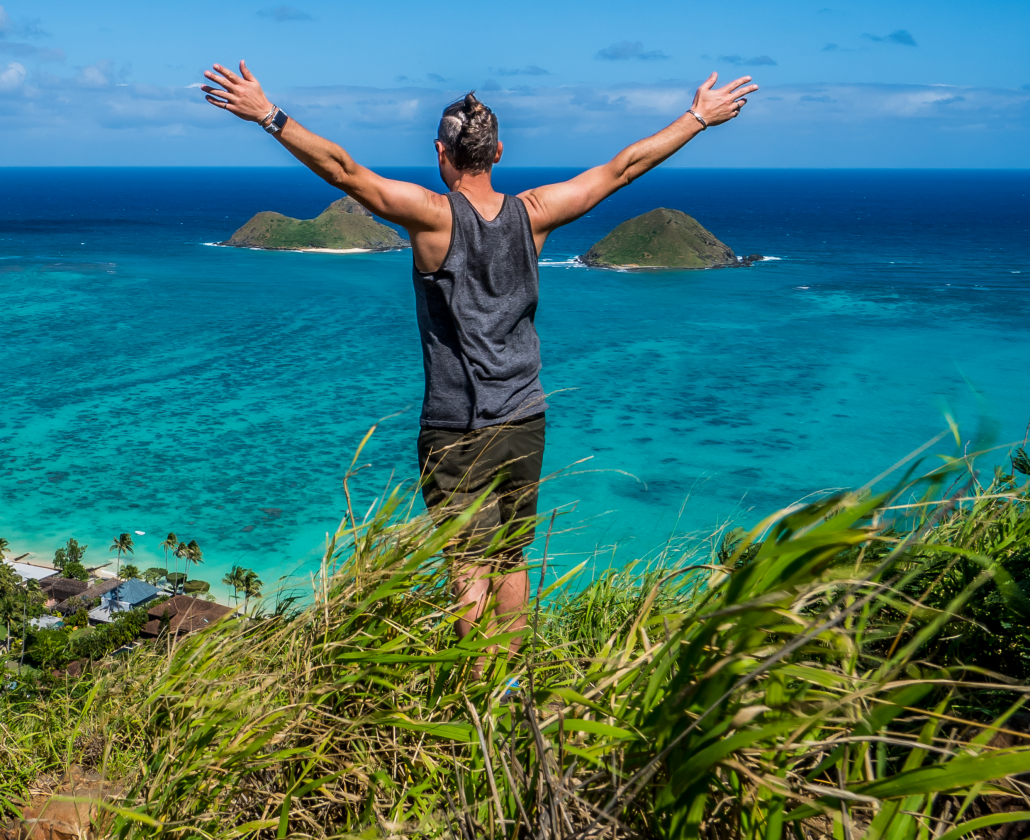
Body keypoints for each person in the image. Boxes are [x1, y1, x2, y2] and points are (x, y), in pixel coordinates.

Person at [200, 62, 758, 657]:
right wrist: (698, 117)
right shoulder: (535, 212)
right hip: (525, 418)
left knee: (466, 563)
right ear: (498, 152)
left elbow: (344, 170)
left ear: (442, 152)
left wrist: (268, 114)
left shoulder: (434, 218)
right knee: (511, 552)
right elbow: (623, 168)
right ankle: (514, 678)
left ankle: (478, 684)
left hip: (457, 425)